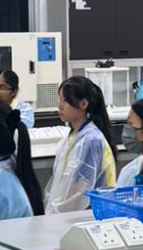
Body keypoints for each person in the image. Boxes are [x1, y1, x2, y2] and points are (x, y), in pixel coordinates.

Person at [45, 76, 117, 213]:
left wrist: (56, 212)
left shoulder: (91, 140)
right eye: (60, 99)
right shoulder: (71, 136)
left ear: (83, 104)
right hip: (70, 214)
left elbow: (80, 192)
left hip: (93, 214)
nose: (60, 105)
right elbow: (59, 182)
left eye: (66, 100)